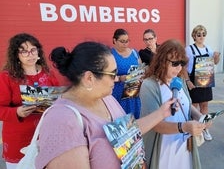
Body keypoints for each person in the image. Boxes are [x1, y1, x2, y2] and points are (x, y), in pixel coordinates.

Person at [35, 41, 177, 169]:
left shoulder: (107, 98)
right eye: (112, 74)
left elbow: (127, 133)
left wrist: (162, 113)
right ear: (89, 78)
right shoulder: (62, 120)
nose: (116, 78)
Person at [140, 39, 210, 169]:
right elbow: (155, 125)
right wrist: (183, 127)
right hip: (164, 148)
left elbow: (187, 106)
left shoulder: (180, 80)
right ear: (162, 61)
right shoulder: (149, 85)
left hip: (184, 146)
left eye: (182, 63)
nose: (179, 68)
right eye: (175, 63)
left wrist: (202, 118)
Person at [0, 33, 59, 169]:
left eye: (33, 50)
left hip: (46, 134)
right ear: (16, 55)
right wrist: (17, 112)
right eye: (24, 51)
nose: (30, 54)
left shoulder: (48, 73)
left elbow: (58, 100)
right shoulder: (7, 77)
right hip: (18, 138)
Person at [184, 25, 220, 141]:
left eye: (203, 34)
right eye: (199, 34)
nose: (201, 36)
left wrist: (216, 57)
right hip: (193, 81)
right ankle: (193, 129)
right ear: (194, 36)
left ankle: (204, 128)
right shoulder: (189, 49)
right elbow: (183, 67)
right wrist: (188, 81)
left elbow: (215, 62)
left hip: (206, 80)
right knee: (193, 107)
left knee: (204, 106)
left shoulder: (208, 49)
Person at [111, 28, 142, 119]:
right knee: (121, 120)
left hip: (133, 93)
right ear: (114, 40)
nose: (125, 44)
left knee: (134, 121)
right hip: (117, 93)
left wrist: (140, 75)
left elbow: (140, 68)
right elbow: (105, 76)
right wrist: (120, 78)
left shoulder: (134, 53)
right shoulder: (110, 54)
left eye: (127, 41)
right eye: (122, 41)